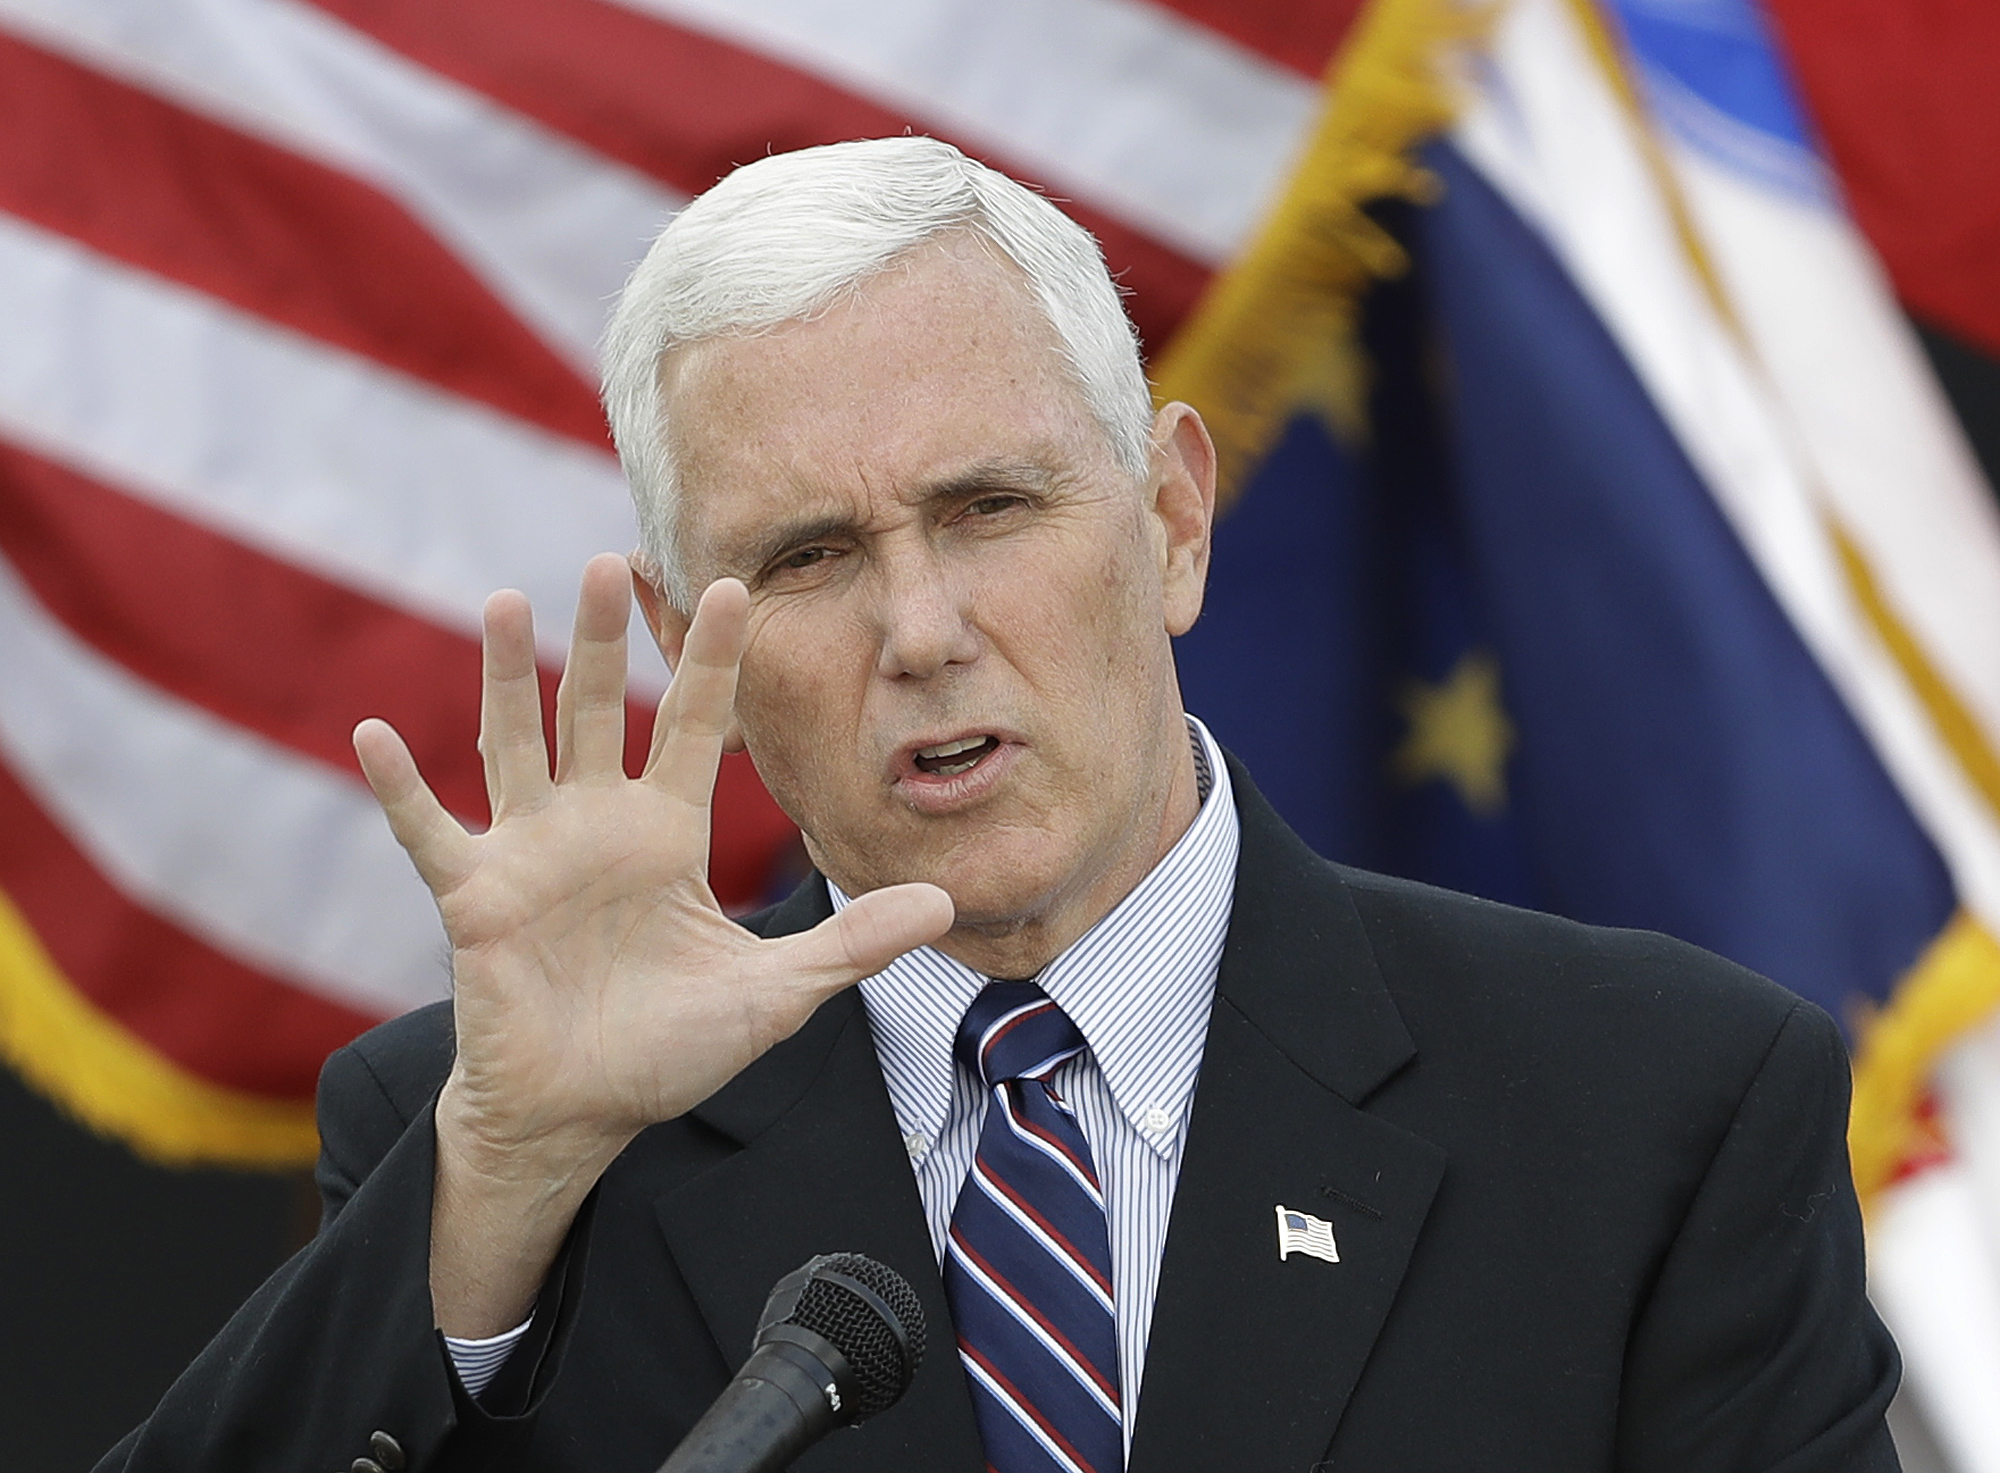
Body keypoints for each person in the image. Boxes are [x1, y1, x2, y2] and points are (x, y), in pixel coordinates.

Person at [98, 136, 1899, 1473]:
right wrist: (504, 1176)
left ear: (1173, 521)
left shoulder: (1655, 1109)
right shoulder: (506, 1140)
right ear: (688, 639)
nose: (921, 631)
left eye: (989, 510)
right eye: (808, 557)